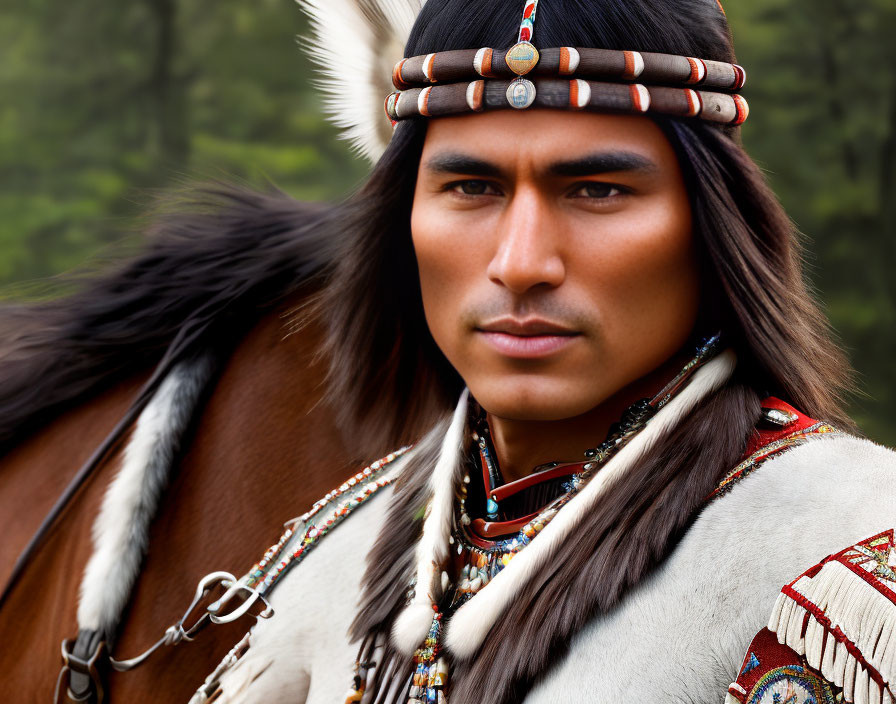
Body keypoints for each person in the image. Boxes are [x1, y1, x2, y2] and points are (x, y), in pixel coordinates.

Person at [189, 0, 896, 702]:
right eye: (471, 187)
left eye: (596, 189)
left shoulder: (841, 556)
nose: (521, 262)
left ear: (712, 225)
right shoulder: (331, 564)